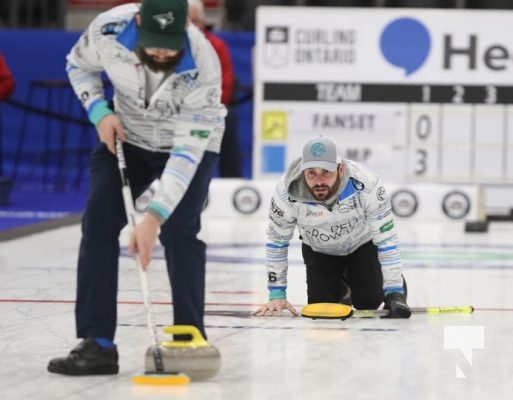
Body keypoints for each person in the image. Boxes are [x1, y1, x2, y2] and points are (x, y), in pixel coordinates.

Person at [47, 0, 226, 376]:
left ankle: (188, 339)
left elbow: (187, 150)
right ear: (138, 23)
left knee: (179, 229)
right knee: (98, 220)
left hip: (190, 144)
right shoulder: (107, 31)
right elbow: (78, 65)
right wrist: (99, 112)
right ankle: (97, 344)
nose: (161, 51)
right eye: (153, 41)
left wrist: (153, 218)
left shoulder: (203, 60)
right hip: (126, 136)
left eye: (170, 43)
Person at [254, 135, 411, 318]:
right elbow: (277, 243)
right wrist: (277, 293)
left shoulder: (366, 185)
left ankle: (390, 284)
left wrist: (394, 291)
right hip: (320, 250)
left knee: (368, 302)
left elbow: (387, 240)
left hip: (362, 245)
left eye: (326, 172)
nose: (319, 181)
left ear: (340, 168)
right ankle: (342, 286)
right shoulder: (286, 193)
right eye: (311, 172)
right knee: (320, 307)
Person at [188, 0, 242, 177]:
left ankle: (233, 182)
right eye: (186, 21)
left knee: (227, 117)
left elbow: (225, 88)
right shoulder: (172, 47)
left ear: (203, 22)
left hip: (211, 106)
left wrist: (203, 107)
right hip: (179, 108)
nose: (190, 26)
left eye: (194, 21)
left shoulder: (217, 45)